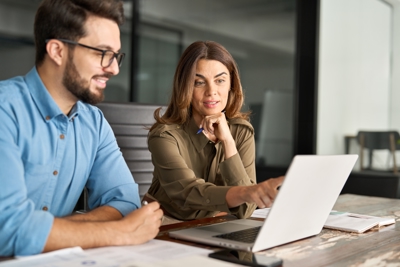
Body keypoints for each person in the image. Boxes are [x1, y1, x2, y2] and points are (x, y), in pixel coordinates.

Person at [0, 0, 163, 257]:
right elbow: (7, 229)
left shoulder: (94, 122)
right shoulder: (4, 110)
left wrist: (55, 231)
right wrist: (118, 232)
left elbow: (125, 202)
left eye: (116, 55)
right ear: (57, 51)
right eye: (102, 53)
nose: (114, 68)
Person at [145, 41, 284, 221]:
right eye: (199, 82)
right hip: (168, 223)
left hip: (214, 224)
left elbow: (246, 210)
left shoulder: (241, 131)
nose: (212, 91)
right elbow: (187, 192)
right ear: (185, 87)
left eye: (220, 80)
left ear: (231, 85)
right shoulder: (164, 136)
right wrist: (246, 192)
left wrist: (228, 142)